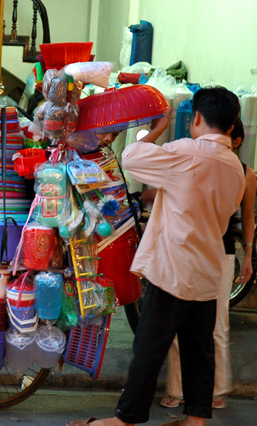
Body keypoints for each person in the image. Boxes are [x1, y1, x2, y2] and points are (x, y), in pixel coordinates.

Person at [67, 86, 244, 426]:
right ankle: (196, 418)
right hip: (208, 269)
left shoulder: (186, 152)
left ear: (196, 118)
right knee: (199, 348)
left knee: (149, 344)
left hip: (173, 267)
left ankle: (125, 419)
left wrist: (158, 129)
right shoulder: (234, 167)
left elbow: (131, 157)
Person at [160, 118, 256, 411]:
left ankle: (214, 389)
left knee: (218, 324)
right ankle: (178, 390)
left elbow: (248, 217)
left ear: (236, 141)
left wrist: (248, 256)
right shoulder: (194, 160)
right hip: (187, 251)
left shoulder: (246, 174)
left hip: (222, 254)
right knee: (179, 324)